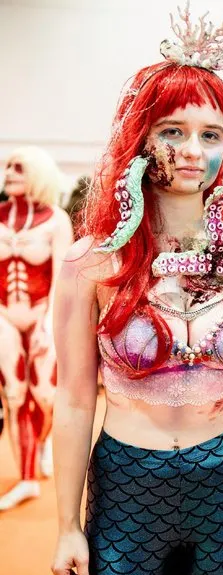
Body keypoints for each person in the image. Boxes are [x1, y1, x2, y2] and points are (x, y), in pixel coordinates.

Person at [51, 5, 223, 575]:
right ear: (140, 140)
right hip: (126, 488)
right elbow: (76, 401)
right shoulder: (91, 263)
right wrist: (66, 526)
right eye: (173, 131)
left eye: (211, 135)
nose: (193, 151)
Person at [0, 146, 73, 510]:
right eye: (8, 167)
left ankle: (41, 444)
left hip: (43, 312)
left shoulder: (56, 219)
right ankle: (27, 477)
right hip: (4, 317)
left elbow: (62, 275)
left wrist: (49, 324)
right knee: (15, 394)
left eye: (18, 168)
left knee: (44, 395)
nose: (9, 173)